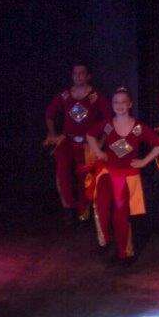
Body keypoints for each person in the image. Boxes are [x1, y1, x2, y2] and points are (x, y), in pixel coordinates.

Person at [86, 88, 159, 266]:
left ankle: (124, 253)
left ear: (130, 104)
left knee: (121, 215)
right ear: (112, 104)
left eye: (123, 102)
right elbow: (90, 135)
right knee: (101, 207)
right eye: (116, 102)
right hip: (108, 173)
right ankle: (105, 241)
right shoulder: (108, 125)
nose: (120, 105)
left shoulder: (138, 128)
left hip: (127, 177)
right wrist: (98, 152)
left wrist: (144, 161)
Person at [44, 63, 111, 223]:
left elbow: (110, 121)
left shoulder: (95, 97)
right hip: (67, 140)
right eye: (75, 73)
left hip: (88, 142)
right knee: (62, 172)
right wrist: (53, 135)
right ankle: (68, 208)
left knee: (85, 176)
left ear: (88, 76)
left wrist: (100, 142)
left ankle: (84, 210)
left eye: (82, 73)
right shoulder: (65, 95)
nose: (78, 76)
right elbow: (49, 114)